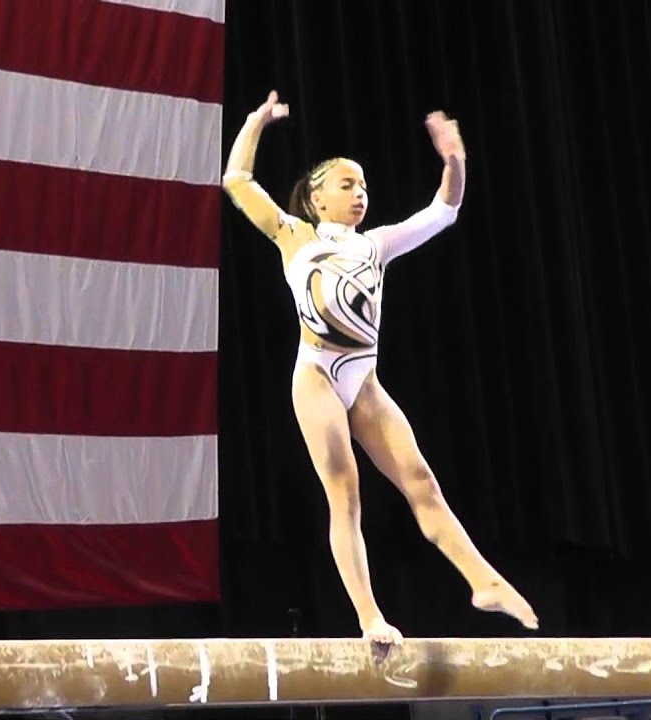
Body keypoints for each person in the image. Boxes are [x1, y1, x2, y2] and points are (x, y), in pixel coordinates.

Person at [222, 90, 538, 644]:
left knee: (422, 481)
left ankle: (483, 581)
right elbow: (237, 182)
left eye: (364, 185)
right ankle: (370, 618)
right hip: (317, 375)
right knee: (345, 491)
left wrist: (454, 160)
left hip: (363, 381)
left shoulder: (377, 244)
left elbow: (445, 210)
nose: (360, 193)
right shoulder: (293, 235)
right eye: (347, 184)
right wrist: (254, 123)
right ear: (317, 199)